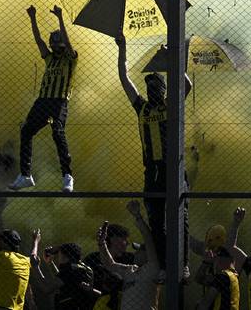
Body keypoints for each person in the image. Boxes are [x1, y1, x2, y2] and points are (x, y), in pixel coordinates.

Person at [115, 32, 192, 280]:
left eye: (155, 86)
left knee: (180, 216)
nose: (151, 90)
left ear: (164, 88)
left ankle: (183, 264)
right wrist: (122, 48)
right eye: (149, 87)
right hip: (153, 171)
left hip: (173, 168)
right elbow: (124, 78)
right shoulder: (142, 108)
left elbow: (187, 85)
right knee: (156, 220)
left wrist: (173, 60)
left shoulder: (170, 105)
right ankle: (162, 265)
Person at [9, 5, 77, 193]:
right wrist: (32, 17)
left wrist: (60, 18)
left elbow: (68, 42)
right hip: (42, 102)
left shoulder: (70, 59)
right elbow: (38, 40)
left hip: (58, 102)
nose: (55, 48)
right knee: (26, 130)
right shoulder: (49, 59)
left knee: (58, 133)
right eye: (53, 45)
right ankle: (25, 175)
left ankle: (67, 176)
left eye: (58, 45)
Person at [96, 201, 160, 310]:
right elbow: (109, 264)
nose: (136, 253)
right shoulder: (130, 270)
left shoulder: (152, 268)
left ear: (148, 255)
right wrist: (102, 243)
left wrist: (138, 216)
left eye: (140, 250)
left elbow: (148, 238)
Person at [83, 221, 135, 308]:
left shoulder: (130, 259)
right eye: (124, 239)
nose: (127, 243)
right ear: (113, 239)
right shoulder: (93, 258)